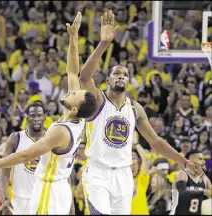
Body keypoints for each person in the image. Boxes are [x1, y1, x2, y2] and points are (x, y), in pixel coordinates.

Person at [79, 10, 204, 214]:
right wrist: (103, 44)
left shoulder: (135, 108)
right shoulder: (99, 99)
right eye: (116, 73)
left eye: (125, 74)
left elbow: (156, 142)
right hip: (97, 173)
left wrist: (184, 162)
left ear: (129, 81)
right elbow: (84, 78)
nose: (121, 76)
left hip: (124, 175)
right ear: (108, 79)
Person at [0, 11, 98, 215]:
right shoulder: (74, 118)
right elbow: (72, 71)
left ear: (74, 108)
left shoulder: (61, 131)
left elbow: (25, 154)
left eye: (75, 93)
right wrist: (73, 38)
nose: (72, 90)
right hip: (55, 187)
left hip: (49, 189)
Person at [0, 102, 46, 215]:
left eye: (39, 115)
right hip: (20, 200)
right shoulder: (16, 138)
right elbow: (3, 171)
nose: (36, 119)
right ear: (27, 117)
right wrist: (4, 198)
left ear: (44, 117)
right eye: (33, 115)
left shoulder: (51, 138)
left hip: (44, 199)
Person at [170, 150, 212, 215]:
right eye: (200, 159)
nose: (204, 162)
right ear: (190, 161)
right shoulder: (182, 174)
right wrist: (204, 191)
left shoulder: (205, 179)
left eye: (203, 159)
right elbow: (182, 192)